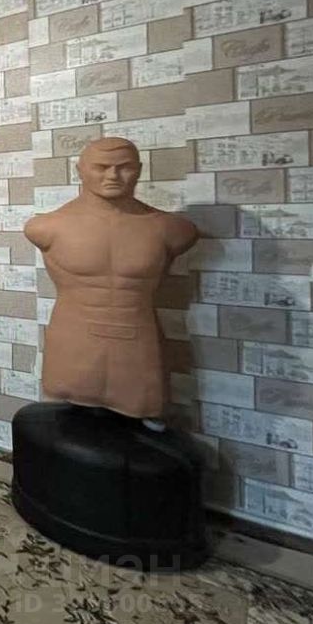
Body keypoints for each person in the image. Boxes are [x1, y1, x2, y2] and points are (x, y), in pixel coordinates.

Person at [24, 137, 198, 423]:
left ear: (139, 170)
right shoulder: (45, 227)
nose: (113, 176)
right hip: (72, 342)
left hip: (138, 347)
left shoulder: (171, 228)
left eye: (124, 167)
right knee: (59, 423)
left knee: (147, 423)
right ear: (80, 170)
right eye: (101, 167)